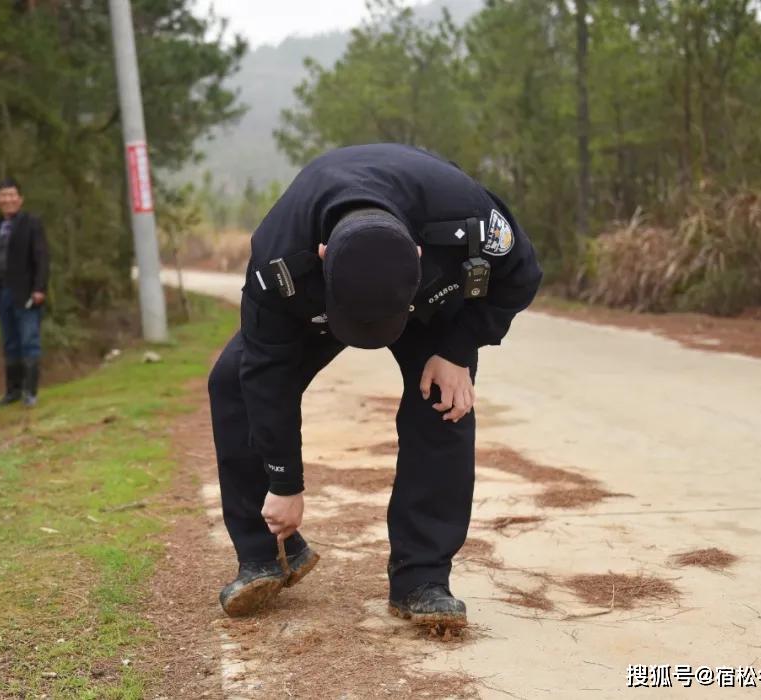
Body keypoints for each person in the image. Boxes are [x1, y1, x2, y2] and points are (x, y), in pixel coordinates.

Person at [208, 144, 543, 626]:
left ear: (419, 254)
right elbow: (266, 372)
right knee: (233, 384)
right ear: (323, 256)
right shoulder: (279, 253)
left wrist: (457, 349)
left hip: (428, 307)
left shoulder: (466, 213)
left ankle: (421, 580)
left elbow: (521, 276)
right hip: (321, 305)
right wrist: (285, 482)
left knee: (442, 402)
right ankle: (268, 554)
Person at [0, 178, 50, 408]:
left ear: (20, 199)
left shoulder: (32, 224)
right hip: (2, 293)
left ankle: (30, 392)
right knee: (10, 343)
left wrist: (39, 288)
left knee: (29, 340)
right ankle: (12, 391)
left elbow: (42, 259)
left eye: (12, 195)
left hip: (26, 293)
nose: (8, 199)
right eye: (3, 196)